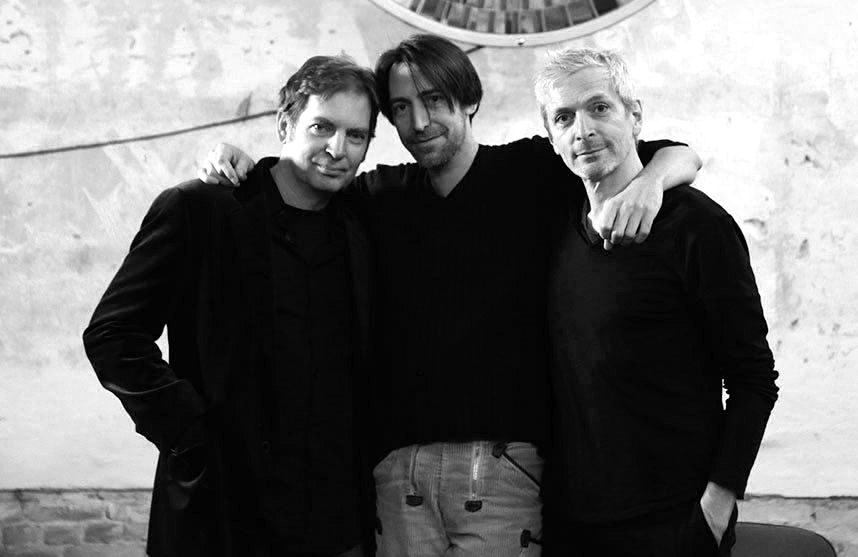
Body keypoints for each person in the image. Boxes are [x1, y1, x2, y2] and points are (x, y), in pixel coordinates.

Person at [199, 34, 702, 556]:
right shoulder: (379, 195)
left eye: (434, 100)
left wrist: (652, 184)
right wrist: (237, 161)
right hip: (400, 474)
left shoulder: (532, 170)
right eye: (401, 108)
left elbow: (679, 155)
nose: (419, 122)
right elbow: (301, 182)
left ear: (469, 100)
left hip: (503, 467)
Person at [82, 55, 379, 557]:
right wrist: (190, 433)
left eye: (356, 135)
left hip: (333, 518)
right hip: (222, 509)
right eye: (322, 127)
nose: (337, 149)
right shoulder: (199, 209)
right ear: (284, 125)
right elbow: (112, 335)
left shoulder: (364, 225)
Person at [536, 47, 779, 556]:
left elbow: (754, 379)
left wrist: (715, 508)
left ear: (635, 116)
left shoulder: (699, 227)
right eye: (564, 117)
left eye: (599, 108)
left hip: (673, 522)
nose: (583, 130)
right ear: (551, 135)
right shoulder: (554, 224)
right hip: (572, 523)